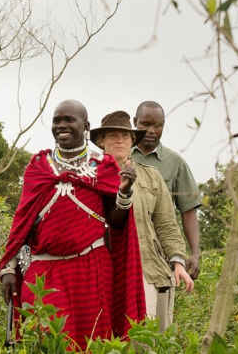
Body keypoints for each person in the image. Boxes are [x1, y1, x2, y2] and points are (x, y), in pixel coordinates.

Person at [0, 100, 146, 350]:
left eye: (69, 120)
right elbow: (22, 222)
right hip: (44, 271)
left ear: (86, 126)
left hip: (91, 268)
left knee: (91, 344)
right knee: (44, 341)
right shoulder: (38, 167)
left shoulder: (103, 167)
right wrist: (9, 268)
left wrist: (124, 192)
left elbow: (117, 223)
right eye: (57, 121)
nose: (61, 126)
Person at [90, 110, 194, 332]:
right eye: (112, 135)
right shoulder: (89, 177)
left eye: (125, 136)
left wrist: (178, 261)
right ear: (101, 142)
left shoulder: (151, 176)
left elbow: (167, 224)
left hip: (147, 270)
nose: (119, 140)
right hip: (102, 271)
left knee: (147, 339)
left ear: (132, 141)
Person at [132, 101, 203, 279]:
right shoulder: (120, 157)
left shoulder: (175, 163)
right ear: (135, 122)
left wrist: (195, 253)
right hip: (127, 248)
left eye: (158, 125)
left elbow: (188, 210)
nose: (151, 131)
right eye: (145, 124)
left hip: (161, 253)